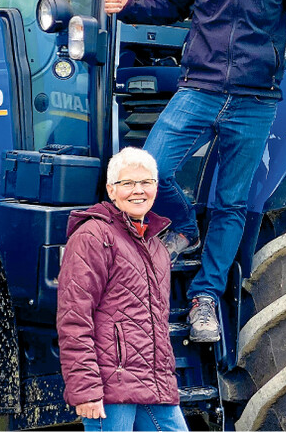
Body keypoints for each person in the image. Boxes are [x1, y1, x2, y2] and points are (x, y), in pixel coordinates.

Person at [103, 0, 286, 342]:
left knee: (232, 203)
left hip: (256, 100)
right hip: (201, 88)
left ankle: (205, 297)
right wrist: (130, 3)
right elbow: (173, 6)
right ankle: (187, 227)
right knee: (148, 167)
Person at [56, 147, 187, 431]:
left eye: (146, 182)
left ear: (156, 188)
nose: (137, 191)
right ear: (111, 190)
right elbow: (74, 317)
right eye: (127, 183)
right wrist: (86, 389)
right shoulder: (93, 236)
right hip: (109, 388)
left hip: (154, 384)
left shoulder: (156, 247)